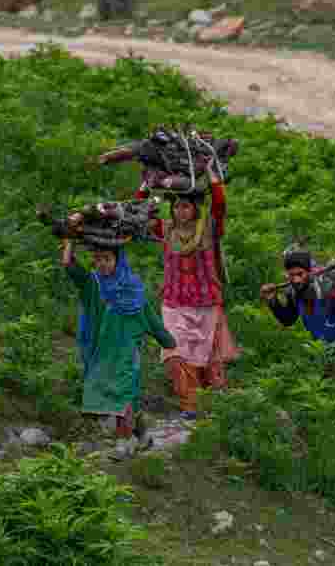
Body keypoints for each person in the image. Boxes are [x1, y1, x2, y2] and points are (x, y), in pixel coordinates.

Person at [135, 160, 241, 421]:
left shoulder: (208, 229)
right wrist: (145, 186)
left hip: (206, 302)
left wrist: (211, 176)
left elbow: (220, 207)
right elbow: (138, 212)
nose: (181, 211)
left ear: (195, 209)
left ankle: (212, 405)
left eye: (186, 206)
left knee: (207, 356)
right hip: (175, 301)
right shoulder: (166, 229)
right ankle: (189, 405)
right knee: (175, 352)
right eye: (177, 206)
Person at [60, 234, 177, 460]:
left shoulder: (132, 290)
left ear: (118, 259)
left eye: (106, 258)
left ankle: (123, 444)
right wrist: (69, 240)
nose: (102, 264)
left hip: (126, 354)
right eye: (97, 259)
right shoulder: (93, 285)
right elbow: (70, 267)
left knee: (121, 397)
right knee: (126, 399)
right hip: (102, 354)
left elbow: (150, 319)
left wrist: (169, 343)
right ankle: (142, 437)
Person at [259, 249, 335, 374]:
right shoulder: (294, 293)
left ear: (310, 273)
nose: (296, 280)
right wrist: (272, 300)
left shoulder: (330, 293)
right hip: (324, 355)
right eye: (291, 275)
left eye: (300, 274)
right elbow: (288, 320)